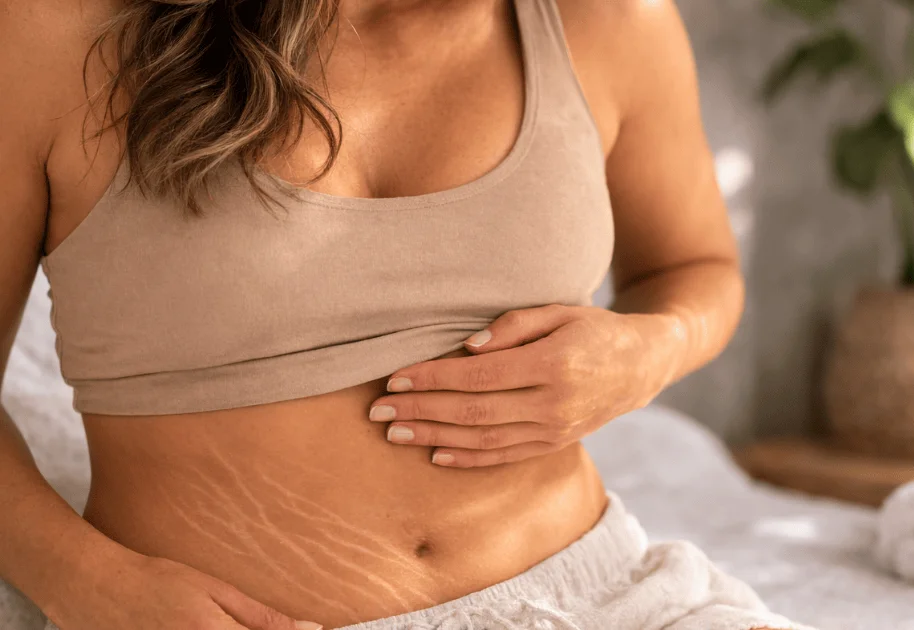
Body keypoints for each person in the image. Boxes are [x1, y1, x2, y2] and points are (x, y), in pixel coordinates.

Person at [0, 0, 800, 628]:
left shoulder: (607, 19)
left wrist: (645, 353)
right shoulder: (54, 33)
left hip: (601, 598)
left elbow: (695, 268)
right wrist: (88, 584)